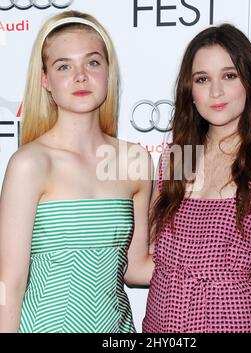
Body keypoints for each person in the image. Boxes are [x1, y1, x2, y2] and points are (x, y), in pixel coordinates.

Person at [0, 10, 153, 333]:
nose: (80, 76)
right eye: (64, 66)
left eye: (93, 62)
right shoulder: (31, 164)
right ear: (45, 80)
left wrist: (220, 267)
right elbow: (8, 283)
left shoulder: (134, 161)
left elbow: (136, 267)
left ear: (108, 72)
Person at [143, 23, 251, 333]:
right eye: (203, 79)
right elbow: (143, 261)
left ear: (250, 83)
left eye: (229, 76)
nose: (216, 92)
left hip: (234, 324)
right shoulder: (174, 161)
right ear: (190, 92)